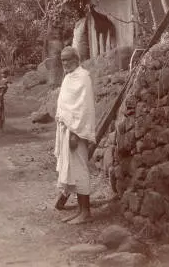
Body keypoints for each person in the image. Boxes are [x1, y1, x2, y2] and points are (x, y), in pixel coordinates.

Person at [54, 46, 97, 225]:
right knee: (73, 169)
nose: (64, 63)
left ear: (75, 59)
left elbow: (83, 108)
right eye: (62, 60)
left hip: (77, 132)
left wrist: (75, 133)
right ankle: (80, 210)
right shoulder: (69, 77)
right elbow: (65, 105)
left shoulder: (83, 77)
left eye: (67, 59)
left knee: (80, 169)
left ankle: (86, 212)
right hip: (67, 130)